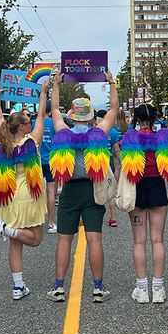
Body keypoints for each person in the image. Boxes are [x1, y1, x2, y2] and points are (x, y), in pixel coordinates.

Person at [46, 70, 117, 303]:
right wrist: (112, 83)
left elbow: (54, 110)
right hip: (93, 189)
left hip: (69, 190)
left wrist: (56, 85)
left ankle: (59, 288)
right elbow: (114, 110)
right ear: (90, 116)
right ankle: (98, 288)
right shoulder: (99, 133)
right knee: (94, 238)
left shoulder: (63, 133)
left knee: (64, 238)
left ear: (73, 115)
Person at [0, 77, 51, 300]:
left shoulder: (2, 142)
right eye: (27, 121)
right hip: (28, 193)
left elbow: (0, 120)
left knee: (15, 245)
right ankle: (6, 229)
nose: (31, 122)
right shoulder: (32, 141)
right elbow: (41, 116)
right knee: (36, 238)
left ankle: (18, 286)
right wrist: (44, 92)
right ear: (22, 127)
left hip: (8, 194)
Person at [119, 103, 168, 303]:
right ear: (155, 117)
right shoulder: (162, 137)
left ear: (136, 118)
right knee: (157, 240)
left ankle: (142, 289)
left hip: (136, 188)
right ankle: (158, 289)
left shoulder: (130, 137)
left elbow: (121, 157)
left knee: (139, 241)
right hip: (157, 187)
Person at [105, 109, 128, 228]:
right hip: (122, 147)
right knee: (117, 167)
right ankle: (113, 217)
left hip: (105, 156)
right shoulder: (126, 125)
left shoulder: (111, 127)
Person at [40, 98, 58, 235]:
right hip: (52, 160)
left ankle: (34, 221)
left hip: (37, 161)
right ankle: (51, 223)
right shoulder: (55, 123)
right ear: (51, 111)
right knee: (51, 192)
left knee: (35, 192)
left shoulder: (34, 123)